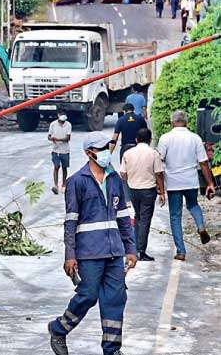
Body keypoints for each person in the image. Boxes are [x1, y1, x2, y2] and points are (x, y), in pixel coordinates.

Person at [48, 131, 137, 355]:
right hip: (88, 253)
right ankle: (59, 329)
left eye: (108, 147)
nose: (106, 152)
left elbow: (124, 217)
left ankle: (112, 349)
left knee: (116, 298)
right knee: (88, 295)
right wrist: (70, 255)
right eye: (101, 149)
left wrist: (131, 249)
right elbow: (70, 222)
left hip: (114, 251)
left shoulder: (114, 178)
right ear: (89, 153)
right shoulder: (77, 181)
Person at [157, 110, 215, 261]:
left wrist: (160, 186)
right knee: (193, 205)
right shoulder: (194, 138)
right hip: (191, 181)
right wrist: (210, 183)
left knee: (175, 216)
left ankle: (181, 251)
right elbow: (203, 163)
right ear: (187, 122)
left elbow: (159, 162)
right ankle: (201, 227)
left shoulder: (165, 138)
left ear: (172, 122)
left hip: (173, 183)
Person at [120, 128, 166, 261]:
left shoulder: (128, 153)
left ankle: (134, 248)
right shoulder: (153, 153)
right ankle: (141, 251)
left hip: (133, 189)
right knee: (145, 220)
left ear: (136, 140)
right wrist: (162, 192)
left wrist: (132, 177)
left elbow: (123, 174)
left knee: (138, 216)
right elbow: (158, 174)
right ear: (150, 140)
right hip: (148, 190)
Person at [48, 109, 72, 195]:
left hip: (65, 150)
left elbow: (68, 138)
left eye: (64, 114)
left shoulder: (68, 125)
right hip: (55, 150)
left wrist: (57, 139)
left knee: (64, 168)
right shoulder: (53, 124)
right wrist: (52, 139)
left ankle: (64, 184)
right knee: (56, 166)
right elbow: (49, 136)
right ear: (58, 115)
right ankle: (56, 185)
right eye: (62, 114)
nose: (63, 116)